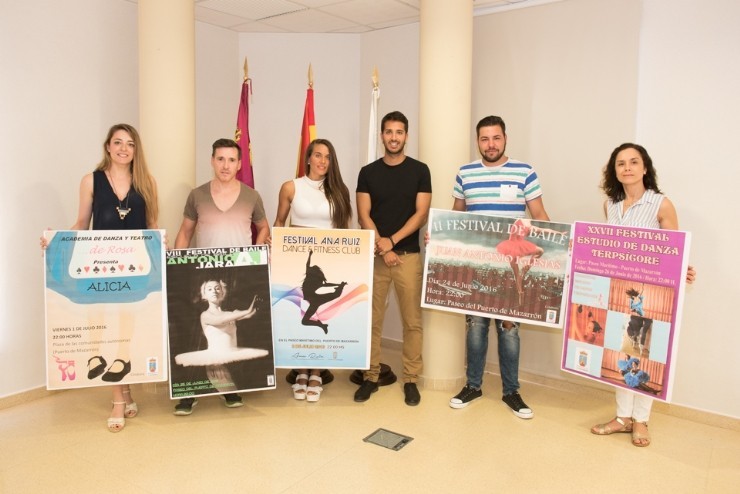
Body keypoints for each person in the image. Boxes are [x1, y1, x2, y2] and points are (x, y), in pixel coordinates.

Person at [43, 123, 160, 432]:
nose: (124, 148)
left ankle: (123, 384)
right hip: (98, 263)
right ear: (108, 147)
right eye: (118, 142)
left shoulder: (147, 182)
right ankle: (118, 397)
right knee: (101, 320)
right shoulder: (90, 181)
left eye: (130, 144)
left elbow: (151, 225)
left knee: (126, 317)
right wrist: (56, 242)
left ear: (136, 150)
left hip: (134, 264)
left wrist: (162, 248)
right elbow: (82, 222)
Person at [590, 143, 696, 447]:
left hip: (648, 292)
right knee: (621, 351)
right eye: (620, 163)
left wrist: (683, 270)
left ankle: (641, 420)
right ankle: (622, 417)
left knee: (643, 352)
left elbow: (672, 251)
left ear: (645, 168)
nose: (627, 168)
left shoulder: (661, 204)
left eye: (633, 162)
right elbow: (606, 247)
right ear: (615, 170)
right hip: (617, 290)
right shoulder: (610, 204)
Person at [448, 115, 549, 419]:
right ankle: (473, 386)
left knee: (509, 331)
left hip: (511, 266)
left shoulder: (524, 172)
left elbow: (540, 214)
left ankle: (512, 392)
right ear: (477, 141)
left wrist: (558, 248)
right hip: (477, 267)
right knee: (476, 327)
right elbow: (457, 218)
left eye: (496, 138)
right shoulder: (465, 173)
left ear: (505, 138)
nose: (490, 145)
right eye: (484, 139)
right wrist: (439, 235)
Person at [172, 138, 269, 415]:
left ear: (239, 164)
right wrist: (178, 265)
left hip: (236, 275)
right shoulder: (197, 195)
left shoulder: (252, 195)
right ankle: (187, 393)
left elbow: (263, 228)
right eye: (220, 159)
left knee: (228, 336)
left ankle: (230, 390)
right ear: (212, 160)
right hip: (201, 275)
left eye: (231, 160)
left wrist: (255, 254)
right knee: (196, 336)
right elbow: (185, 232)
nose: (226, 165)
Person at [355, 111, 432, 406]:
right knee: (371, 320)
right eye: (389, 132)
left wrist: (393, 242)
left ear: (406, 136)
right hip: (375, 257)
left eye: (399, 132)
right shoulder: (368, 172)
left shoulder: (420, 170)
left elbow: (421, 214)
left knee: (412, 322)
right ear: (382, 136)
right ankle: (370, 376)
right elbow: (364, 215)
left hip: (408, 256)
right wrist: (383, 248)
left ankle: (411, 379)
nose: (394, 137)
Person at [273, 138, 352, 402]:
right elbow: (279, 222)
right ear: (308, 158)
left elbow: (344, 231)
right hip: (298, 263)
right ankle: (300, 371)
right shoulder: (290, 187)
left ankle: (316, 371)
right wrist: (274, 247)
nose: (322, 161)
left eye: (328, 157)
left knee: (322, 310)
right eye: (317, 155)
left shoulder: (340, 190)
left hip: (326, 264)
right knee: (299, 313)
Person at [174, 280, 267, 392]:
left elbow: (250, 314)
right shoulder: (205, 315)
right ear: (204, 295)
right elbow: (220, 320)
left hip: (234, 360)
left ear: (223, 292)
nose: (214, 291)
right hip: (217, 363)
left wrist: (257, 305)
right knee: (231, 392)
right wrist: (247, 310)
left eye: (217, 288)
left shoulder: (230, 314)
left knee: (241, 391)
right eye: (209, 289)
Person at [495, 217, 563, 305]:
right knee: (517, 271)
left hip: (514, 246)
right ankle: (521, 289)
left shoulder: (526, 224)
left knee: (517, 272)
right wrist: (559, 233)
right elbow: (543, 230)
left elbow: (543, 230)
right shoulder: (524, 223)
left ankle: (521, 291)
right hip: (514, 246)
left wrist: (559, 233)